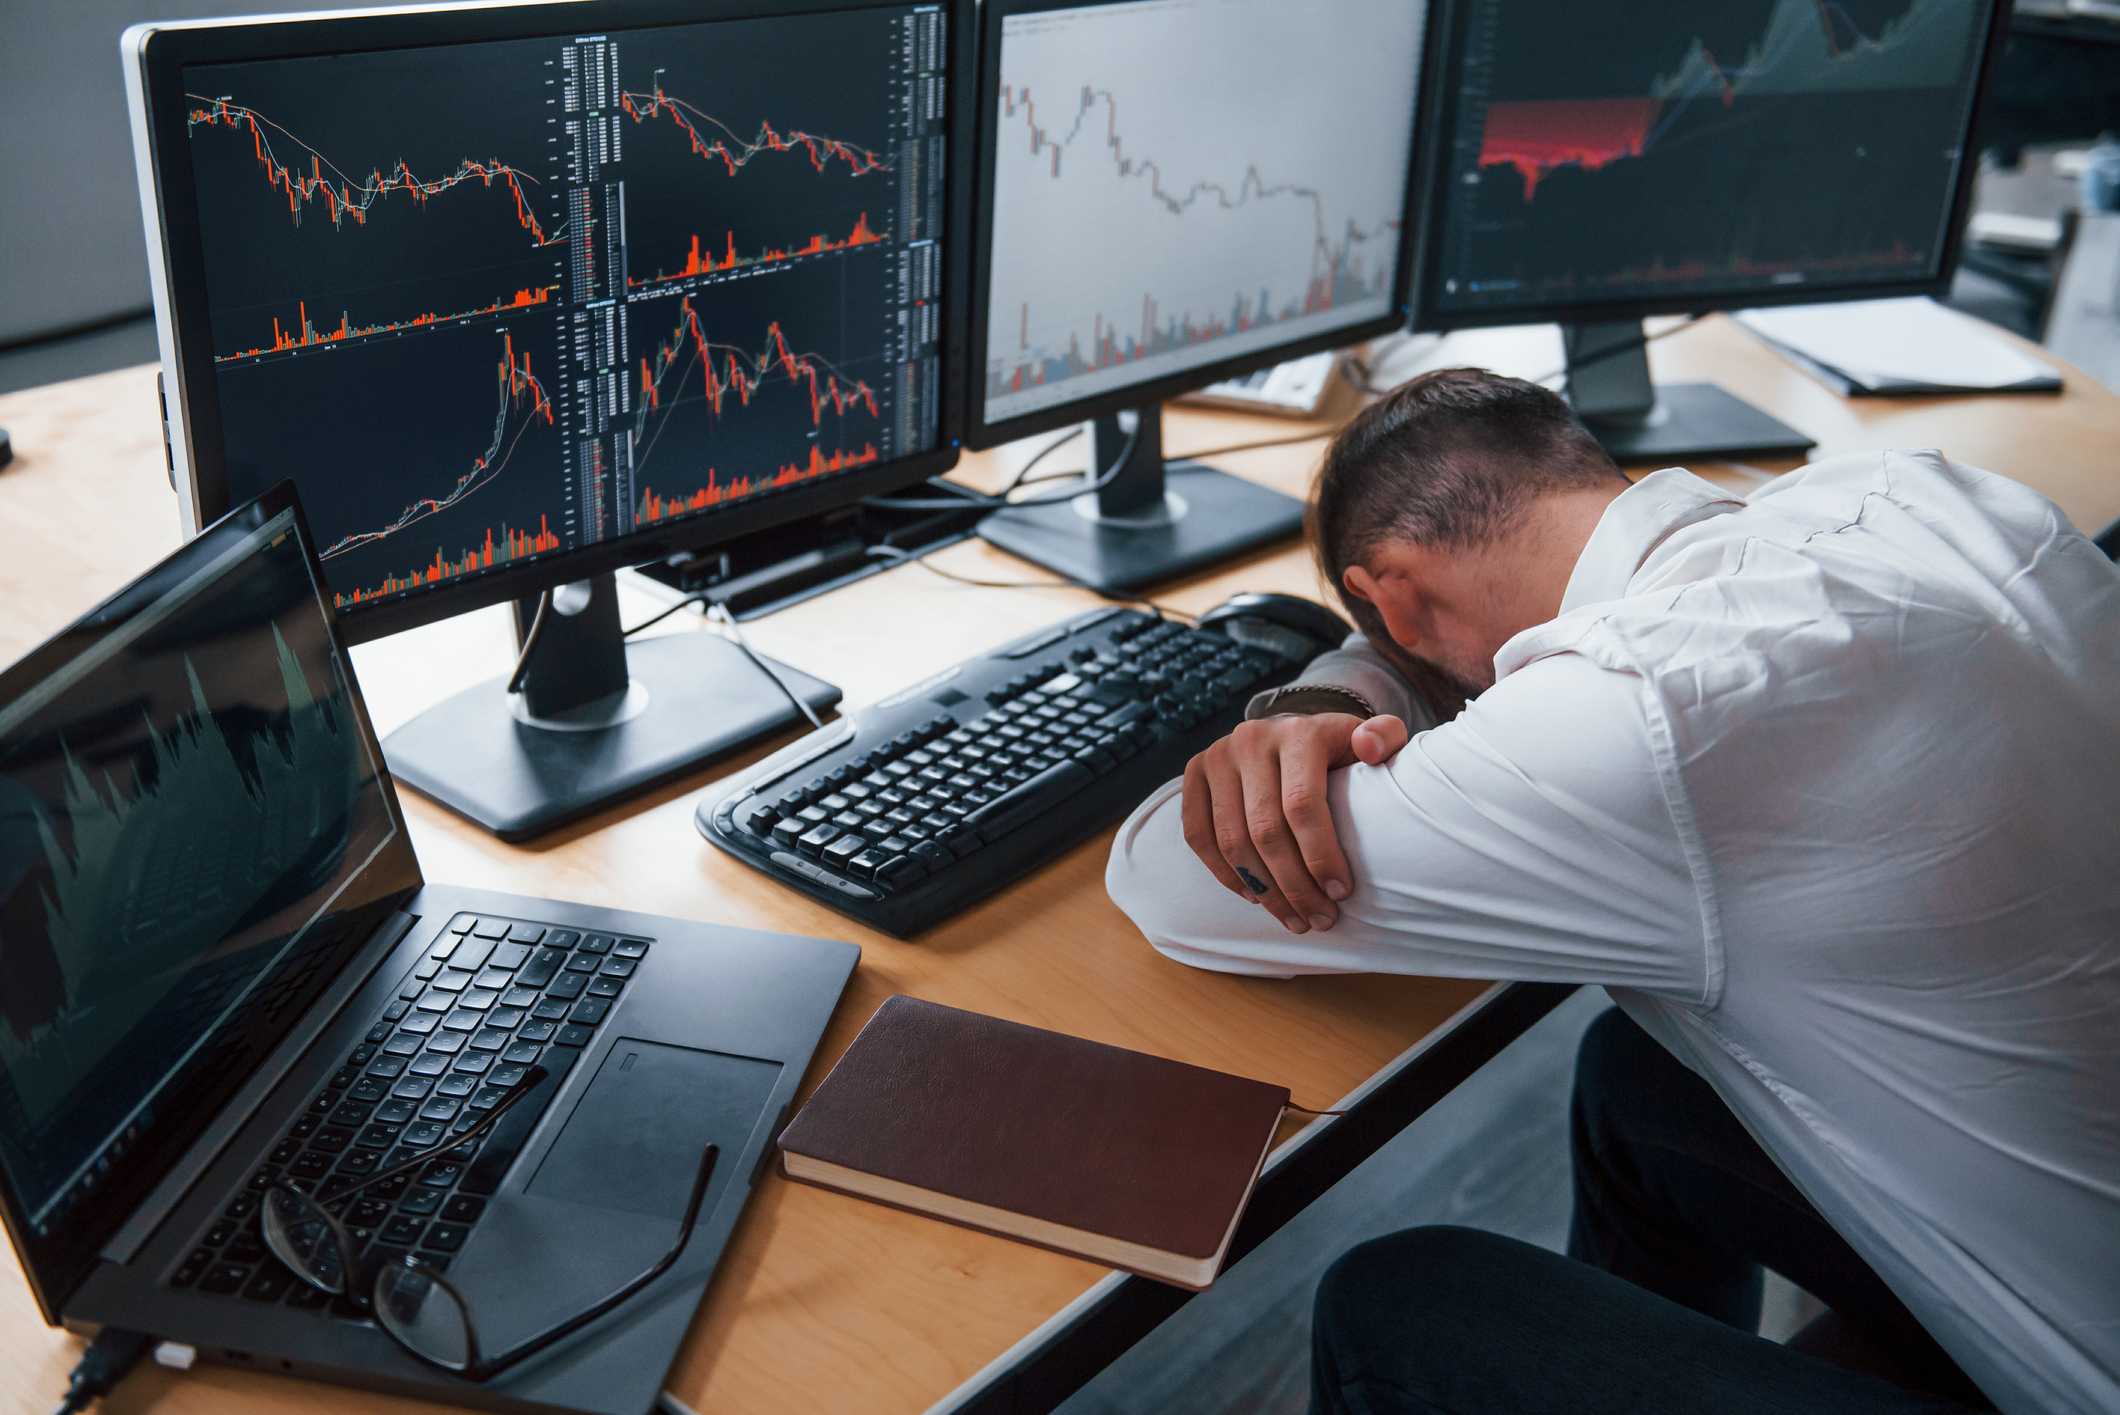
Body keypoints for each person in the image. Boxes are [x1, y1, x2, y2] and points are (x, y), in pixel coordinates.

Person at [1103, 368, 2120, 1415]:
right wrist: (1379, 658)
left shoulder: (1634, 713)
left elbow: (1169, 874)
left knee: (1404, 1300)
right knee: (1637, 1079)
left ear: (1391, 599)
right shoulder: (1933, 494)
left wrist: (1342, 678)